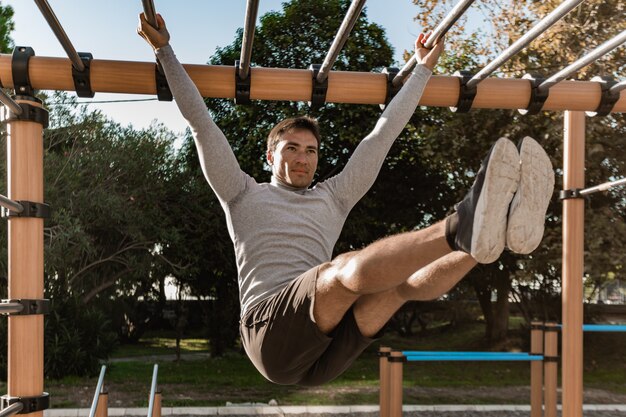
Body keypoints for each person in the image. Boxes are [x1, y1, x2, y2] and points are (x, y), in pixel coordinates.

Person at [137, 13, 555, 386]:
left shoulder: (333, 197)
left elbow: (383, 133)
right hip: (270, 333)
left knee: (400, 289)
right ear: (270, 155)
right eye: (291, 148)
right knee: (339, 273)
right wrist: (165, 52)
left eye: (311, 151)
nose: (302, 158)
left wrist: (424, 69)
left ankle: (493, 236)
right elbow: (201, 123)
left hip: (322, 349)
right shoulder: (240, 192)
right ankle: (460, 224)